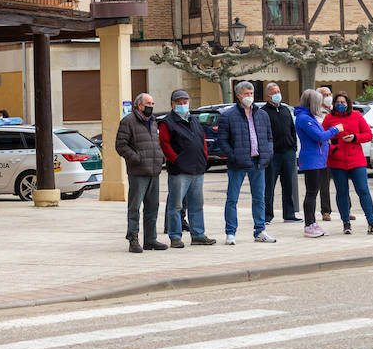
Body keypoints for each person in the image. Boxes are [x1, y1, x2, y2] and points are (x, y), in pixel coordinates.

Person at [216, 81, 276, 245]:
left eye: (251, 93)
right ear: (238, 95)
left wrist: (268, 153)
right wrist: (233, 155)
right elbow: (222, 140)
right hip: (238, 163)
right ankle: (230, 232)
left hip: (258, 161)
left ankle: (260, 230)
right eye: (246, 94)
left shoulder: (262, 114)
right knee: (232, 199)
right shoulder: (227, 115)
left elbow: (269, 137)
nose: (249, 97)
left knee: (259, 198)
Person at [159, 89, 217, 248]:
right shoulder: (167, 122)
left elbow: (202, 139)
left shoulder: (194, 120)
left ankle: (198, 235)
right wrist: (176, 160)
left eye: (185, 102)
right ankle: (175, 237)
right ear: (172, 104)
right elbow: (164, 144)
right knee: (176, 205)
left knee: (197, 205)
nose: (183, 105)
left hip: (197, 169)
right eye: (179, 102)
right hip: (179, 171)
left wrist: (204, 157)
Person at [326, 93, 373, 235]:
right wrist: (333, 147)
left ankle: (372, 223)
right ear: (334, 104)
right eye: (338, 102)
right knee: (342, 192)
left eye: (343, 102)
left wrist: (355, 138)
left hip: (356, 159)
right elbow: (323, 137)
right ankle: (346, 223)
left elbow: (368, 134)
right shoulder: (329, 118)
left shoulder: (357, 115)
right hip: (337, 161)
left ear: (348, 103)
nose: (341, 104)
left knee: (363, 190)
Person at [116, 92, 167, 252]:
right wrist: (136, 158)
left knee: (153, 207)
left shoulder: (152, 122)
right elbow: (120, 145)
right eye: (148, 104)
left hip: (154, 170)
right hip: (138, 171)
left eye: (152, 104)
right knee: (135, 207)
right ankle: (133, 240)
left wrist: (160, 157)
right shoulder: (128, 121)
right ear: (139, 105)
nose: (151, 107)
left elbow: (155, 142)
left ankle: (151, 240)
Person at [295, 89, 341, 238]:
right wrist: (335, 129)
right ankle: (308, 225)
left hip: (319, 159)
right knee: (311, 193)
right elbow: (319, 136)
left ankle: (313, 222)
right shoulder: (303, 118)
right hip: (312, 160)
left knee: (314, 192)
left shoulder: (310, 117)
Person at [262, 82, 300, 223]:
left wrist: (294, 147)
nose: (277, 94)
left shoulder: (285, 110)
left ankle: (289, 214)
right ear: (268, 95)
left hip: (288, 153)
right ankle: (267, 216)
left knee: (288, 185)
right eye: (274, 92)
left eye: (278, 91)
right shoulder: (264, 111)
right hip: (273, 154)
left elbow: (292, 129)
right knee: (269, 186)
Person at [316, 85, 337, 222]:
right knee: (324, 183)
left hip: (339, 150)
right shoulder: (317, 113)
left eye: (330, 94)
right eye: (325, 95)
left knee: (342, 182)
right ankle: (326, 211)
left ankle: (346, 209)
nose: (329, 97)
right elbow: (322, 133)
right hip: (325, 152)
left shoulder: (336, 111)